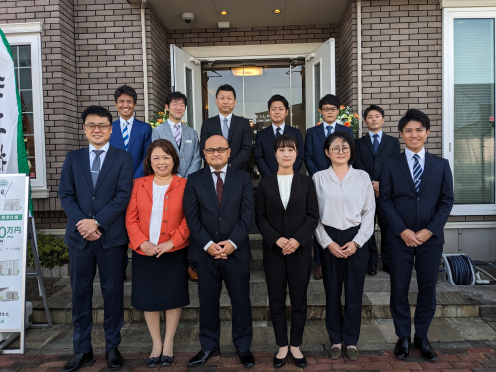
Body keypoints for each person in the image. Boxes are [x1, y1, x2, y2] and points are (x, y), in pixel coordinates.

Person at [59, 106, 134, 372]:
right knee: (80, 295)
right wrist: (84, 225)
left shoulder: (123, 158)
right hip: (80, 239)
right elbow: (66, 195)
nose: (97, 130)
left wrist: (98, 222)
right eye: (92, 125)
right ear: (84, 129)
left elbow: (123, 195)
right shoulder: (73, 158)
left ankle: (112, 347)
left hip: (111, 237)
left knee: (113, 294)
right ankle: (82, 349)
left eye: (102, 125)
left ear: (111, 130)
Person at [380, 109, 454, 362]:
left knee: (427, 288)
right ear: (401, 134)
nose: (414, 135)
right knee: (399, 288)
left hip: (430, 239)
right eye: (408, 130)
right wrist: (402, 230)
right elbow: (386, 202)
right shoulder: (390, 165)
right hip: (399, 239)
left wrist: (429, 230)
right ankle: (402, 336)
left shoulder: (441, 165)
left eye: (419, 130)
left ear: (427, 133)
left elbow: (446, 202)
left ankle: (421, 336)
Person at [184, 135, 255, 368]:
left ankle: (243, 346)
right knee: (208, 303)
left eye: (220, 149)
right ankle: (209, 346)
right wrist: (208, 245)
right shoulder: (193, 180)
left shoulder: (243, 178)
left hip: (237, 252)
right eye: (211, 150)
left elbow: (247, 215)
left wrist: (232, 242)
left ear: (229, 152)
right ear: (204, 154)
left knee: (241, 302)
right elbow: (192, 217)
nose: (216, 153)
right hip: (206, 254)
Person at [255, 134, 319, 368]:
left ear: (296, 154)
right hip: (274, 251)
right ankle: (282, 345)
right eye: (281, 150)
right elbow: (259, 218)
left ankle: (296, 345)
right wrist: (278, 239)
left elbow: (313, 216)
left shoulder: (306, 182)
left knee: (299, 299)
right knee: (276, 299)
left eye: (290, 150)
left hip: (300, 251)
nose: (286, 154)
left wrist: (296, 240)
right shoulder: (265, 183)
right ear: (275, 154)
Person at [125, 139, 190, 367]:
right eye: (156, 158)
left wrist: (172, 242)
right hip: (145, 251)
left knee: (173, 298)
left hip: (172, 251)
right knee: (148, 299)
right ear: (149, 162)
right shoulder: (138, 184)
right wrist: (141, 243)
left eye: (166, 157)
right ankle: (156, 344)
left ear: (174, 159)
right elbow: (130, 218)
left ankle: (169, 342)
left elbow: (189, 219)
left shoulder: (185, 184)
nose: (161, 162)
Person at [313, 132, 375, 361]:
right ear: (327, 152)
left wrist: (357, 241)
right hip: (328, 238)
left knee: (354, 294)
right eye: (335, 148)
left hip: (356, 238)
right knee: (332, 293)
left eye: (345, 147)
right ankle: (336, 340)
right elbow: (313, 216)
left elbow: (369, 212)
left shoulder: (362, 177)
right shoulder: (318, 178)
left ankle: (351, 340)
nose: (341, 151)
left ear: (351, 151)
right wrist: (327, 243)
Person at [151, 91, 202, 282]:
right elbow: (156, 157)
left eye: (182, 105)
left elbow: (197, 157)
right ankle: (173, 260)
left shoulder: (191, 132)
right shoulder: (157, 131)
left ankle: (191, 263)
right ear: (167, 107)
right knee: (171, 219)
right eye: (175, 104)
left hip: (188, 184)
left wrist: (185, 179)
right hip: (166, 184)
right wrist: (172, 177)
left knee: (189, 220)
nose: (178, 107)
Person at [304, 94, 354, 280]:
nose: (329, 112)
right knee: (319, 219)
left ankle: (342, 254)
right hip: (319, 182)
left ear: (338, 111)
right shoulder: (311, 132)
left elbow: (351, 155)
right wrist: (319, 175)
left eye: (333, 109)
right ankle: (320, 262)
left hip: (342, 183)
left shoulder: (346, 131)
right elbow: (307, 156)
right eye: (326, 109)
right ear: (320, 111)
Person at [354, 105, 400, 275]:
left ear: (383, 119)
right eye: (370, 117)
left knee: (388, 227)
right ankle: (370, 263)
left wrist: (382, 183)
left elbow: (396, 165)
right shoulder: (358, 143)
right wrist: (371, 183)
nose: (374, 119)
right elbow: (357, 164)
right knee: (367, 228)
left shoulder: (393, 142)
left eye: (377, 116)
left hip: (387, 192)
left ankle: (388, 262)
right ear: (365, 121)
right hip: (365, 191)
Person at [199, 84, 252, 171]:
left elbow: (247, 149)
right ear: (216, 101)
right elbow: (203, 149)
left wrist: (231, 166)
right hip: (213, 170)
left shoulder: (244, 123)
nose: (225, 102)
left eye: (229, 98)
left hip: (238, 170)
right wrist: (216, 165)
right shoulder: (207, 124)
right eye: (222, 98)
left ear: (234, 102)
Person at [254, 95, 304, 178]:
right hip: (269, 180)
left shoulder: (296, 133)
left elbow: (300, 155)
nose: (277, 112)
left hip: (291, 178)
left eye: (280, 109)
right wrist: (270, 177)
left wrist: (290, 174)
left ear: (286, 112)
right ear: (269, 112)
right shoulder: (261, 134)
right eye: (273, 109)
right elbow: (259, 157)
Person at [109, 85, 152, 178]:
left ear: (135, 104)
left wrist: (136, 178)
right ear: (116, 104)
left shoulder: (145, 128)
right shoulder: (109, 128)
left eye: (129, 102)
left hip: (139, 179)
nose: (125, 105)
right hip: (114, 181)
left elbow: (147, 155)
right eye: (121, 101)